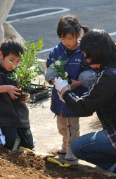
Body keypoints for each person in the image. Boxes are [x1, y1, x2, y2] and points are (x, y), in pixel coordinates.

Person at [54, 28, 116, 175]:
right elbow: (95, 97)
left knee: (78, 147)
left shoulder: (109, 77)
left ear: (96, 53)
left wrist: (64, 90)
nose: (83, 56)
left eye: (85, 53)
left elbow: (83, 108)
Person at [45, 15, 95, 161]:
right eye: (63, 38)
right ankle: (65, 143)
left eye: (69, 38)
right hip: (59, 96)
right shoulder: (56, 51)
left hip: (75, 96)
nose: (66, 42)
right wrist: (56, 81)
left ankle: (71, 149)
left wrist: (77, 83)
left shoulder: (84, 52)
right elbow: (50, 68)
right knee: (61, 124)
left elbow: (91, 72)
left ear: (78, 35)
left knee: (72, 126)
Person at [0, 37, 35, 150]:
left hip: (20, 116)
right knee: (10, 144)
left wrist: (27, 95)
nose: (14, 64)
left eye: (18, 61)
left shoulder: (20, 71)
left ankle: (14, 134)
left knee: (29, 145)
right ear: (1, 55)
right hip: (2, 116)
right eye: (11, 59)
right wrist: (6, 88)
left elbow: (27, 88)